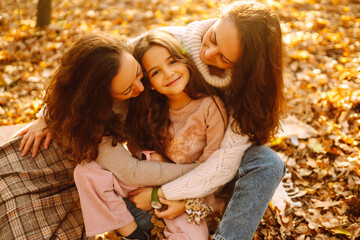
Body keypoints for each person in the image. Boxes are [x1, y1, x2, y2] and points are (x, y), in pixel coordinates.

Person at [15, 1, 288, 239]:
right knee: (87, 166)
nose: (208, 54)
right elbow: (100, 67)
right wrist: (48, 115)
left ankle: (222, 225)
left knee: (269, 163)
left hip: (206, 170)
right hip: (154, 166)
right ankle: (136, 228)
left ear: (245, 66)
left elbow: (220, 164)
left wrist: (171, 196)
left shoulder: (241, 96)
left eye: (224, 57)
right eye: (213, 37)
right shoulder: (170, 41)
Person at [0, 32, 200, 239]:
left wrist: (45, 116)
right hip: (39, 172)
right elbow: (131, 172)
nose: (140, 87)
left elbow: (187, 36)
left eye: (139, 74)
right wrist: (195, 170)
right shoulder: (95, 121)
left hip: (80, 178)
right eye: (127, 89)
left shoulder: (123, 56)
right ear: (100, 96)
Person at [75, 30, 227, 240]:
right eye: (156, 72)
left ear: (185, 61)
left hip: (187, 192)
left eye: (172, 62)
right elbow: (136, 144)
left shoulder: (210, 107)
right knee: (87, 171)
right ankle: (133, 234)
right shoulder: (149, 108)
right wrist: (149, 156)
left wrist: (178, 200)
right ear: (150, 84)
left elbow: (214, 170)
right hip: (148, 179)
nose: (168, 73)